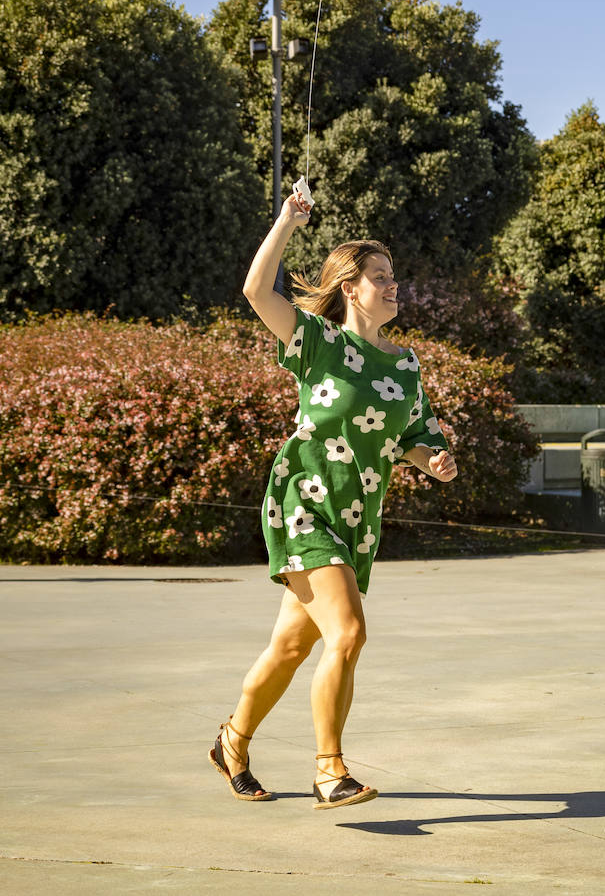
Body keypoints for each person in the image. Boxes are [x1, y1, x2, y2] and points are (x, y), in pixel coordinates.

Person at [208, 186, 458, 810]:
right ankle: (330, 770)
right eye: (381, 277)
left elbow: (412, 439)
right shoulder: (319, 342)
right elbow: (256, 292)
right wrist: (287, 222)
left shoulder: (406, 366)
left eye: (394, 277)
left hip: (357, 517)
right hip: (304, 501)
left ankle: (231, 742)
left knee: (292, 646)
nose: (393, 285)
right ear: (351, 286)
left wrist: (437, 462)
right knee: (346, 634)